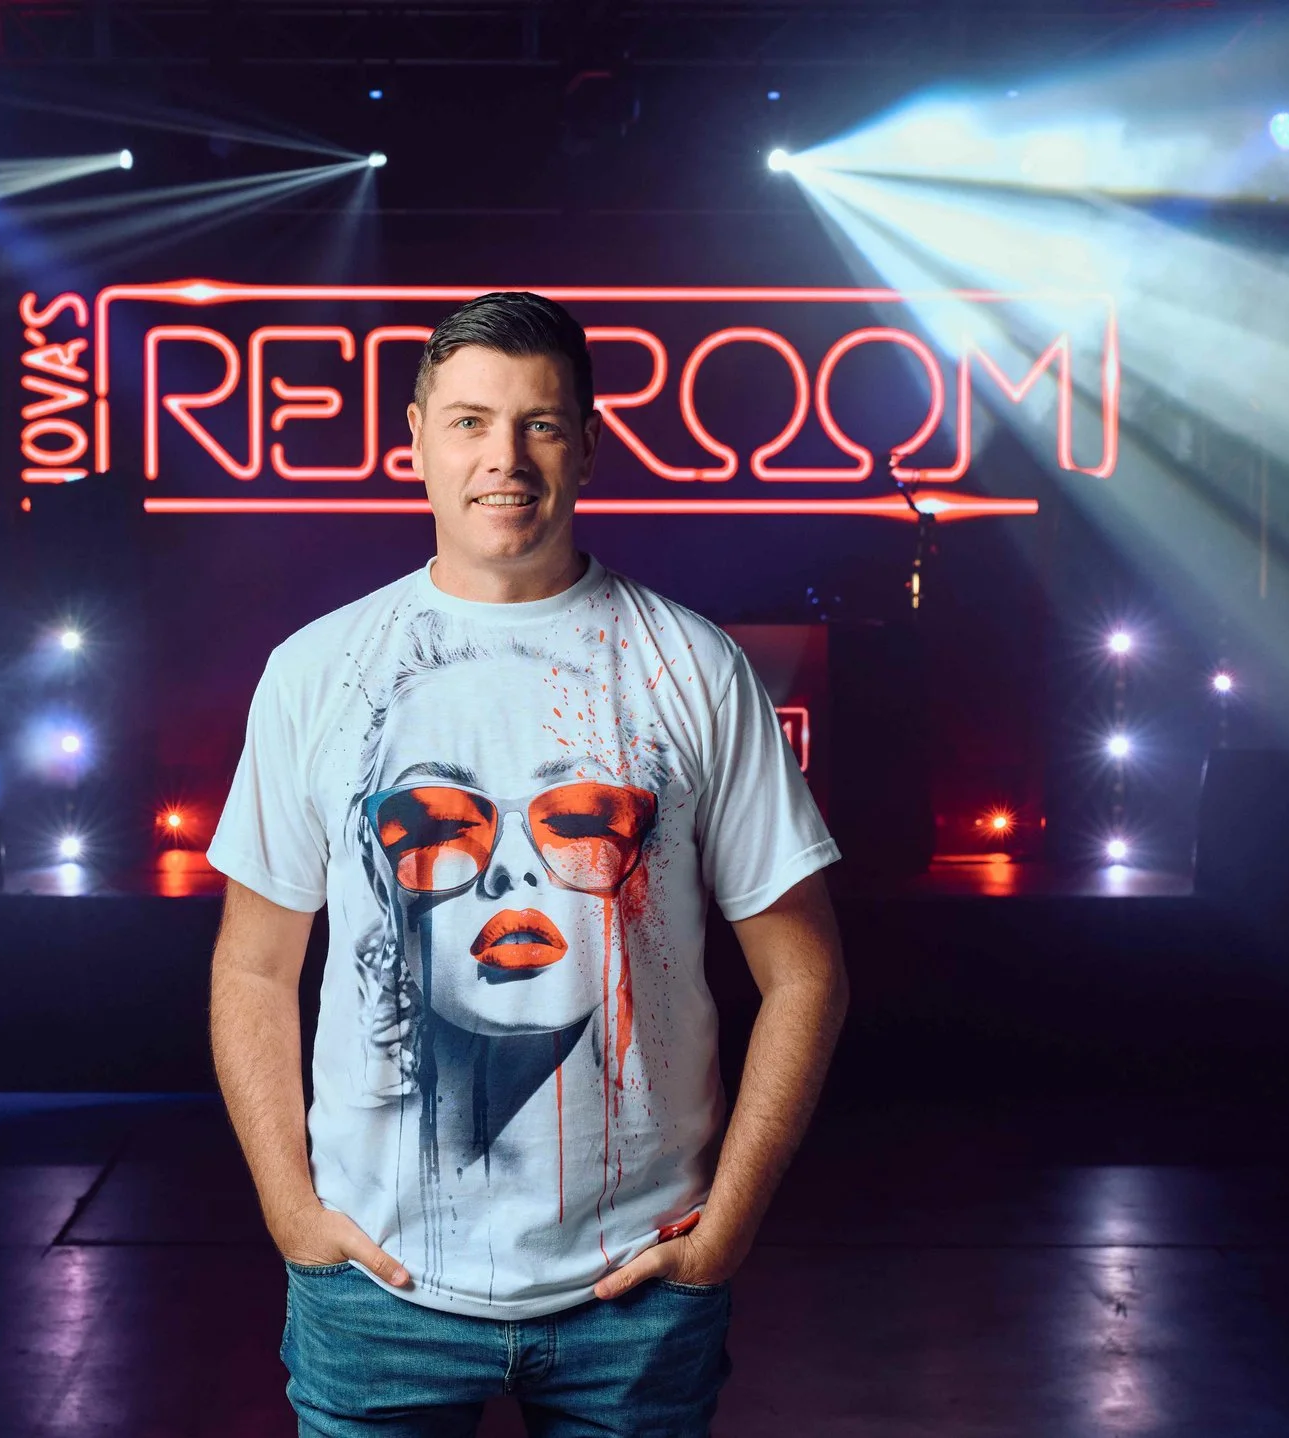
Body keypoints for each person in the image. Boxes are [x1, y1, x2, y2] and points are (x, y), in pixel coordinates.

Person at [208, 291, 849, 1437]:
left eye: (540, 423)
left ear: (590, 441)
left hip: (636, 1292)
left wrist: (729, 1223)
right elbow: (254, 966)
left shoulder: (690, 667)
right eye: (467, 421)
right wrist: (291, 1211)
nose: (503, 457)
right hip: (375, 1288)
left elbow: (803, 971)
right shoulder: (317, 672)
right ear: (411, 440)